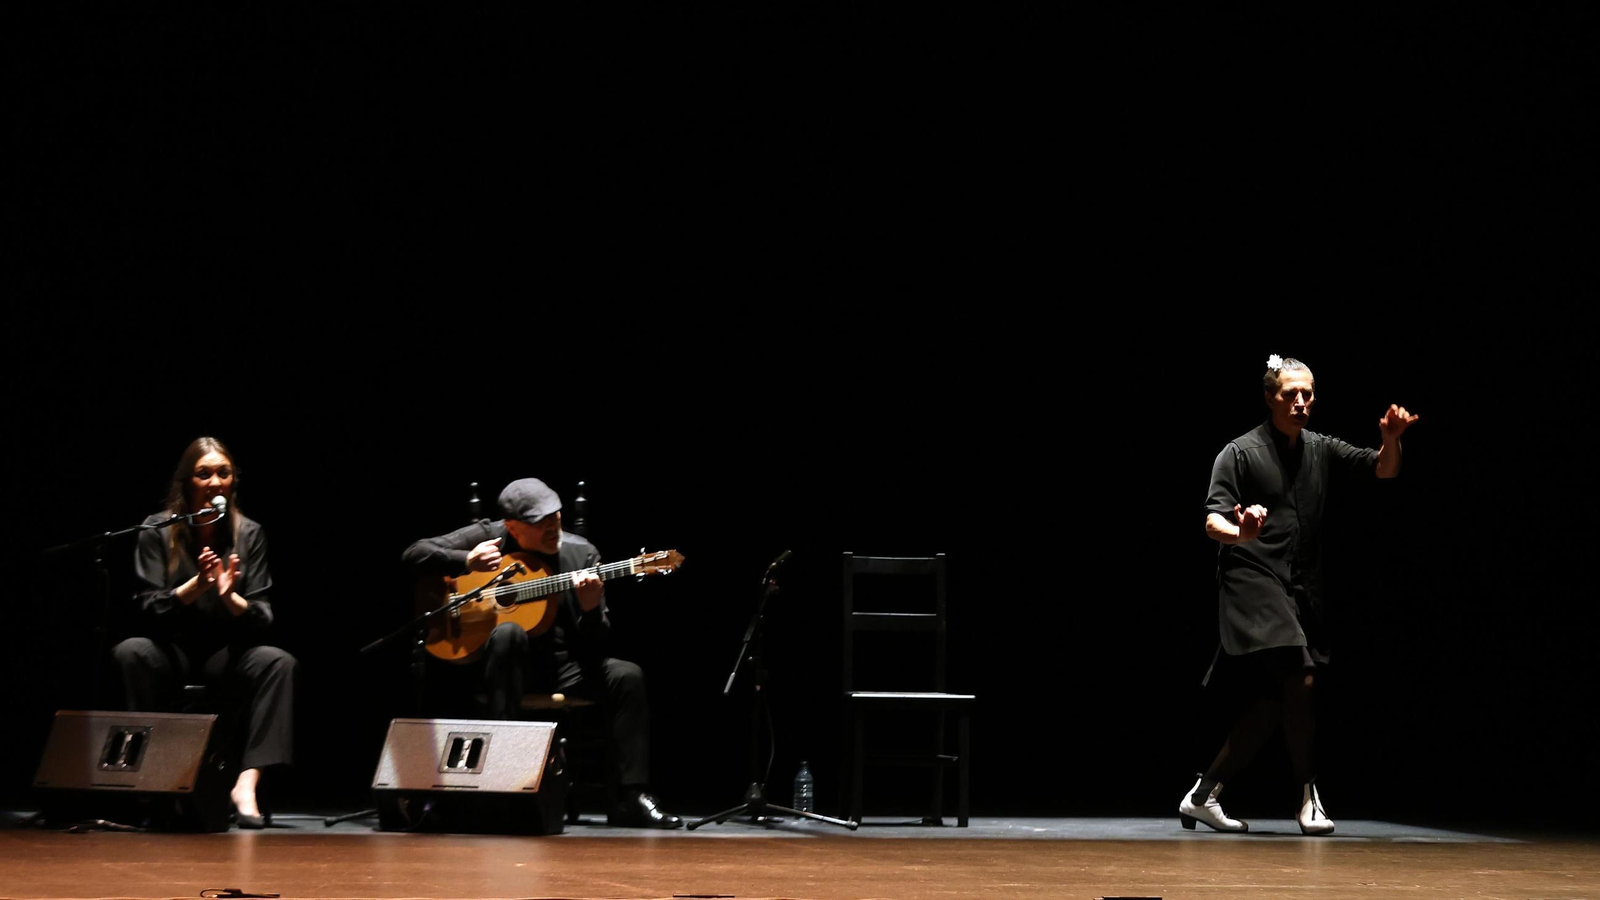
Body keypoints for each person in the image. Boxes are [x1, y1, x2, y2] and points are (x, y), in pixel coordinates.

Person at [1179, 355, 1418, 835]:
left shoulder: (1320, 448)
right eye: (1291, 394)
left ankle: (1202, 796)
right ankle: (1309, 795)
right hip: (1250, 581)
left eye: (1308, 393)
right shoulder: (1239, 452)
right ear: (1270, 398)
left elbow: (1383, 471)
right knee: (1301, 679)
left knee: (1273, 701)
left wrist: (1390, 441)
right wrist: (1241, 533)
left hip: (1299, 588)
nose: (1301, 402)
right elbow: (1212, 520)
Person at [402, 477, 681, 829]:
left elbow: (597, 643)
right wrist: (465, 559)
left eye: (556, 517)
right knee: (508, 633)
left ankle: (630, 797)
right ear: (513, 527)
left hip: (563, 667)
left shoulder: (582, 555)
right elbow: (414, 553)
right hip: (498, 667)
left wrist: (591, 609)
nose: (553, 527)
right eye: (540, 522)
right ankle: (501, 776)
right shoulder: (489, 535)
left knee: (627, 675)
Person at [111, 437, 297, 829]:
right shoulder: (157, 530)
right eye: (204, 473)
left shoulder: (249, 534)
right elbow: (146, 607)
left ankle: (245, 785)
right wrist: (194, 588)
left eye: (223, 473)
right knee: (130, 651)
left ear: (233, 482)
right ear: (187, 482)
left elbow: (263, 615)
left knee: (277, 663)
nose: (215, 481)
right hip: (171, 649)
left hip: (225, 654)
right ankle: (151, 778)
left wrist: (231, 598)